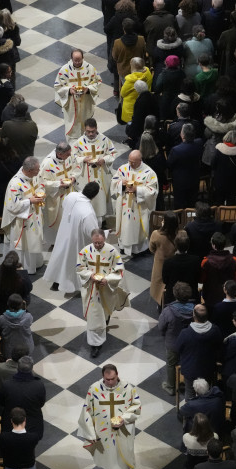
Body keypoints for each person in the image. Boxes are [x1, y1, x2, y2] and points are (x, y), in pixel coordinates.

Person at [78, 364, 141, 469]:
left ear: (117, 374)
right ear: (103, 377)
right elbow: (87, 410)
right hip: (103, 431)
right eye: (107, 379)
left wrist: (123, 419)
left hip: (122, 431)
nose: (110, 382)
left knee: (121, 458)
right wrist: (90, 432)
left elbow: (136, 406)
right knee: (107, 454)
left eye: (113, 379)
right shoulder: (94, 389)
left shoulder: (128, 388)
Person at [76, 229, 130, 357]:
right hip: (92, 289)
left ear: (104, 239)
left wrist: (108, 279)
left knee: (105, 312)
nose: (97, 245)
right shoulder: (85, 251)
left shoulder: (112, 251)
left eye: (100, 243)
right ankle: (95, 344)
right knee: (95, 315)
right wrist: (90, 275)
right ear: (92, 240)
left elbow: (119, 269)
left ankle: (105, 320)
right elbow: (79, 267)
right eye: (95, 243)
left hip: (106, 287)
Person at [44, 183, 99, 293]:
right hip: (76, 240)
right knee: (73, 262)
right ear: (94, 196)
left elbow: (64, 206)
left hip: (64, 233)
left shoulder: (71, 195)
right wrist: (106, 233)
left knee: (61, 258)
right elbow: (93, 233)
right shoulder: (88, 212)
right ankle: (74, 286)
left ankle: (56, 283)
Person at [111, 150, 159, 255]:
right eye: (129, 161)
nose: (130, 164)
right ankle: (124, 247)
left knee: (137, 229)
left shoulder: (149, 172)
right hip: (124, 205)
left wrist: (137, 189)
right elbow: (114, 182)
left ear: (140, 160)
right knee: (125, 226)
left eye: (133, 162)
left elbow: (153, 191)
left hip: (139, 206)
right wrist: (121, 184)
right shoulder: (123, 168)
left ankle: (139, 250)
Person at [2, 157, 45, 274]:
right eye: (37, 169)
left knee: (34, 241)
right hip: (22, 221)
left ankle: (35, 263)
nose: (39, 170)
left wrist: (40, 193)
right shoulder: (14, 184)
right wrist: (30, 201)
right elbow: (12, 206)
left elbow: (40, 185)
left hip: (34, 215)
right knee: (24, 243)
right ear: (29, 170)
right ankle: (22, 267)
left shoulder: (33, 176)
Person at [72, 119, 117, 221]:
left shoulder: (105, 140)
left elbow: (113, 153)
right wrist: (83, 159)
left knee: (101, 198)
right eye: (88, 131)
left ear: (96, 128)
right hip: (86, 176)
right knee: (89, 197)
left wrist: (104, 159)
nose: (91, 134)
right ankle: (88, 218)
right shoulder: (79, 142)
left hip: (101, 175)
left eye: (93, 131)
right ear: (85, 129)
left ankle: (103, 219)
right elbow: (73, 157)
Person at [55, 48, 102, 142]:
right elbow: (57, 86)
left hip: (85, 102)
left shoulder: (90, 68)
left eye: (79, 60)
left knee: (86, 121)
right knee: (73, 127)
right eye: (75, 60)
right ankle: (72, 144)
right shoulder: (64, 70)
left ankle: (87, 139)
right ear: (71, 58)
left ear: (83, 58)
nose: (77, 62)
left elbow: (98, 81)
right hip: (72, 103)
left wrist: (88, 89)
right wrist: (69, 90)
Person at [40, 142, 80, 245]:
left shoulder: (69, 156)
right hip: (56, 197)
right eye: (67, 154)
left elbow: (77, 168)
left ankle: (70, 239)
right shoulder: (47, 163)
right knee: (59, 221)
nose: (70, 156)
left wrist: (73, 177)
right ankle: (56, 243)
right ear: (60, 154)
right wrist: (58, 184)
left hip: (70, 192)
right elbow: (42, 183)